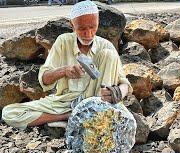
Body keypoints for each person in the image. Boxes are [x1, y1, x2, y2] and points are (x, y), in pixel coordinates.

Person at [1, 1, 132, 129]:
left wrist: (117, 93)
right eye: (82, 29)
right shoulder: (63, 41)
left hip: (96, 103)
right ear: (72, 25)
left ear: (98, 22)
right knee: (9, 113)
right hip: (64, 102)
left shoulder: (106, 46)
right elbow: (44, 80)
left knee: (107, 54)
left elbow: (124, 84)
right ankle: (69, 116)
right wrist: (64, 71)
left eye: (93, 27)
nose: (88, 34)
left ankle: (93, 114)